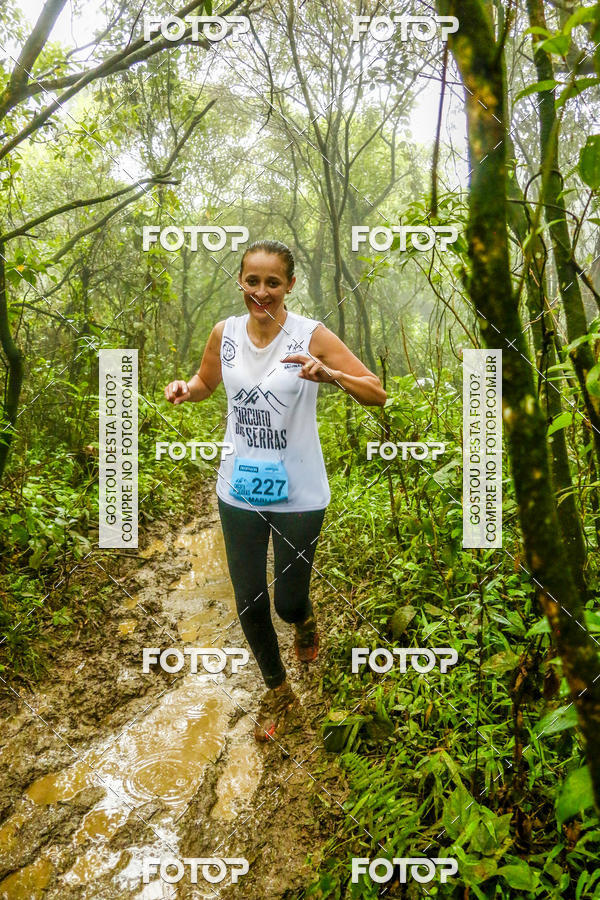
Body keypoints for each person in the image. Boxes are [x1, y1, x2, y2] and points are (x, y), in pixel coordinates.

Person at [164, 240, 386, 742]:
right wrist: (185, 388)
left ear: (289, 285)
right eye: (252, 281)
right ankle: (279, 692)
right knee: (249, 600)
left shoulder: (311, 334)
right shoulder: (224, 332)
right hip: (237, 487)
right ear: (240, 281)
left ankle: (304, 623)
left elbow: (376, 390)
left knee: (287, 601)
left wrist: (328, 374)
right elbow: (205, 381)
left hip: (299, 493)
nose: (260, 291)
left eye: (272, 282)